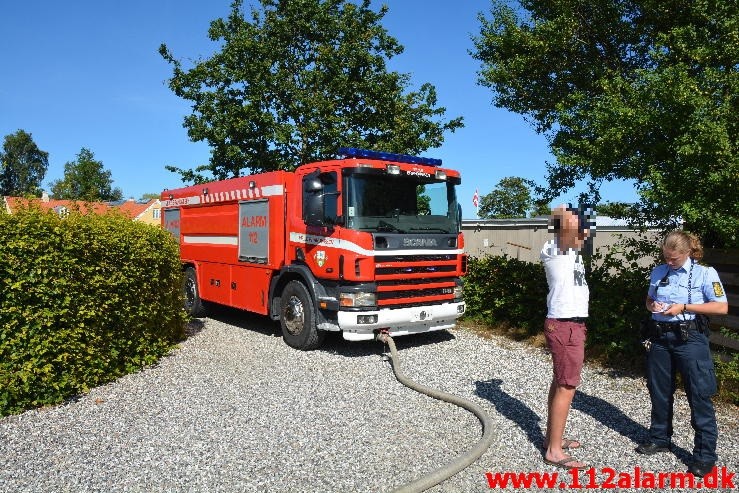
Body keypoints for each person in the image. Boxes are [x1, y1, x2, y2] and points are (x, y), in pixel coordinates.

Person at [638, 230, 728, 478]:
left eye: (674, 259)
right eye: (666, 257)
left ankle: (704, 455)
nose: (669, 262)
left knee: (699, 395)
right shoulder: (659, 271)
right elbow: (648, 300)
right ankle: (659, 437)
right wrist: (652, 305)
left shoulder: (704, 273)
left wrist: (685, 307)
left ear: (688, 253)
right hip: (660, 337)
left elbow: (721, 306)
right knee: (659, 391)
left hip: (690, 339)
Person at [540, 204, 594, 470]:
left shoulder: (571, 250)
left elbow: (581, 233)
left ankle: (554, 439)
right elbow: (566, 222)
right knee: (567, 386)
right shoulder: (555, 248)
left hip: (572, 325)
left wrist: (577, 218)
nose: (581, 225)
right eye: (574, 221)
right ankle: (554, 451)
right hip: (565, 326)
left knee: (560, 382)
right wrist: (564, 211)